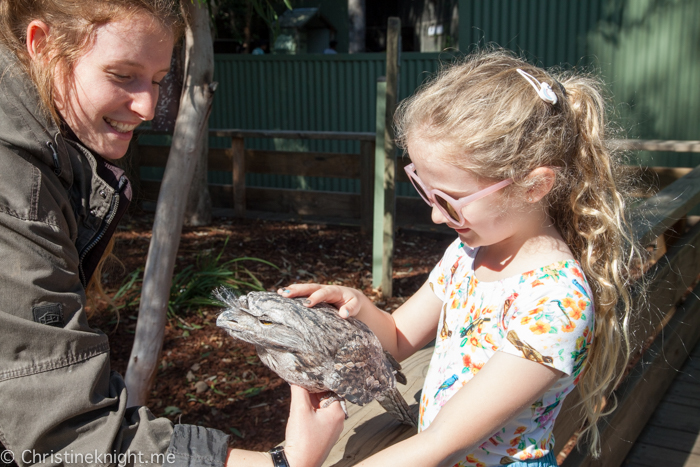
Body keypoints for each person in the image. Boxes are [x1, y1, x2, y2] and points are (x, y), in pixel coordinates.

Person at [0, 1, 343, 466]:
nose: (147, 107)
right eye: (122, 75)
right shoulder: (17, 193)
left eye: (160, 80)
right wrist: (281, 462)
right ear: (40, 46)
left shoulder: (47, 156)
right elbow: (64, 437)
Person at [280, 49, 641, 466]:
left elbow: (442, 443)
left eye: (450, 201)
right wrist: (358, 307)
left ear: (534, 186)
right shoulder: (466, 254)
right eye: (424, 189)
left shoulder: (557, 304)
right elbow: (397, 337)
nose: (435, 215)